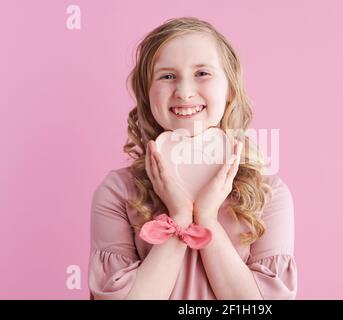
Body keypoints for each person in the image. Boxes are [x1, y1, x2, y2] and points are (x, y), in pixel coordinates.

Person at [88, 16, 297, 300]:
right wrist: (180, 216)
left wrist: (207, 217)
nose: (184, 92)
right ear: (147, 95)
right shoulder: (118, 192)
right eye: (167, 76)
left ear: (230, 89)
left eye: (202, 73)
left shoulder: (268, 194)